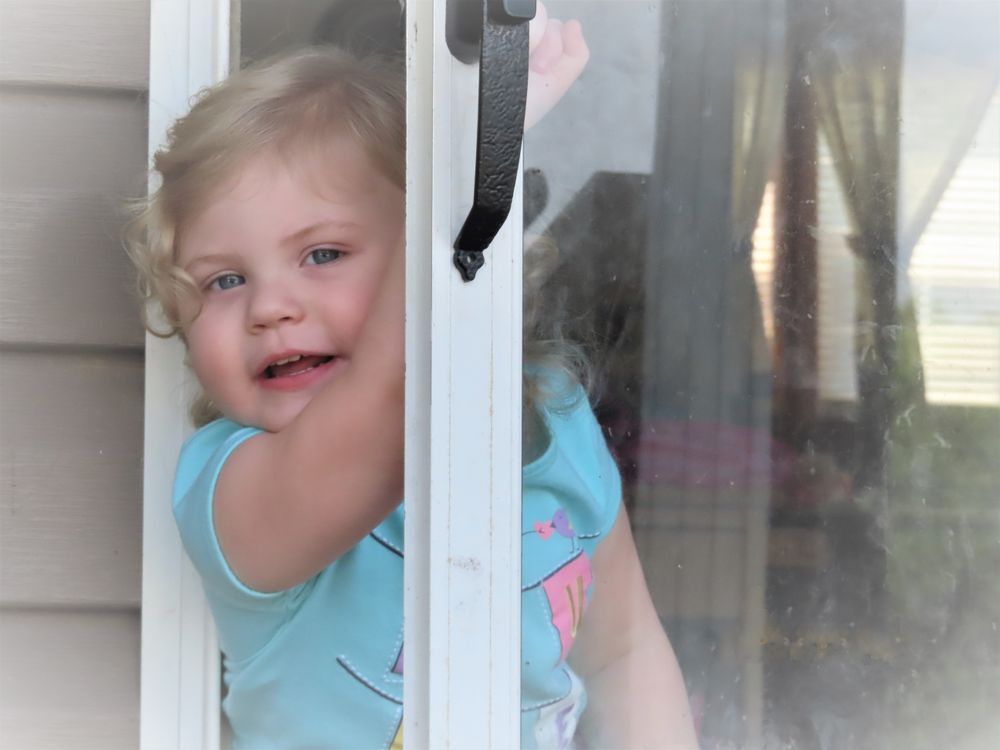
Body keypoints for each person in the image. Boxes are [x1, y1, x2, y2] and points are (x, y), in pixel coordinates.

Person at [128, 5, 697, 748]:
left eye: (323, 254)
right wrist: (474, 147)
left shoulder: (554, 428)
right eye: (224, 280)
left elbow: (622, 650)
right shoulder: (228, 488)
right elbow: (397, 399)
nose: (270, 307)